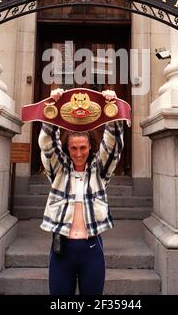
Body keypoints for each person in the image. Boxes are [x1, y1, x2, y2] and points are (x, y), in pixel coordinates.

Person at [38, 88, 124, 296]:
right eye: (74, 148)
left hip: (92, 249)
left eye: (83, 148)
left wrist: (112, 113)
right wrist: (53, 106)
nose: (78, 153)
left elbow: (112, 147)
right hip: (62, 251)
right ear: (67, 148)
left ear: (90, 147)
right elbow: (48, 145)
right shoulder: (58, 170)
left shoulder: (98, 171)